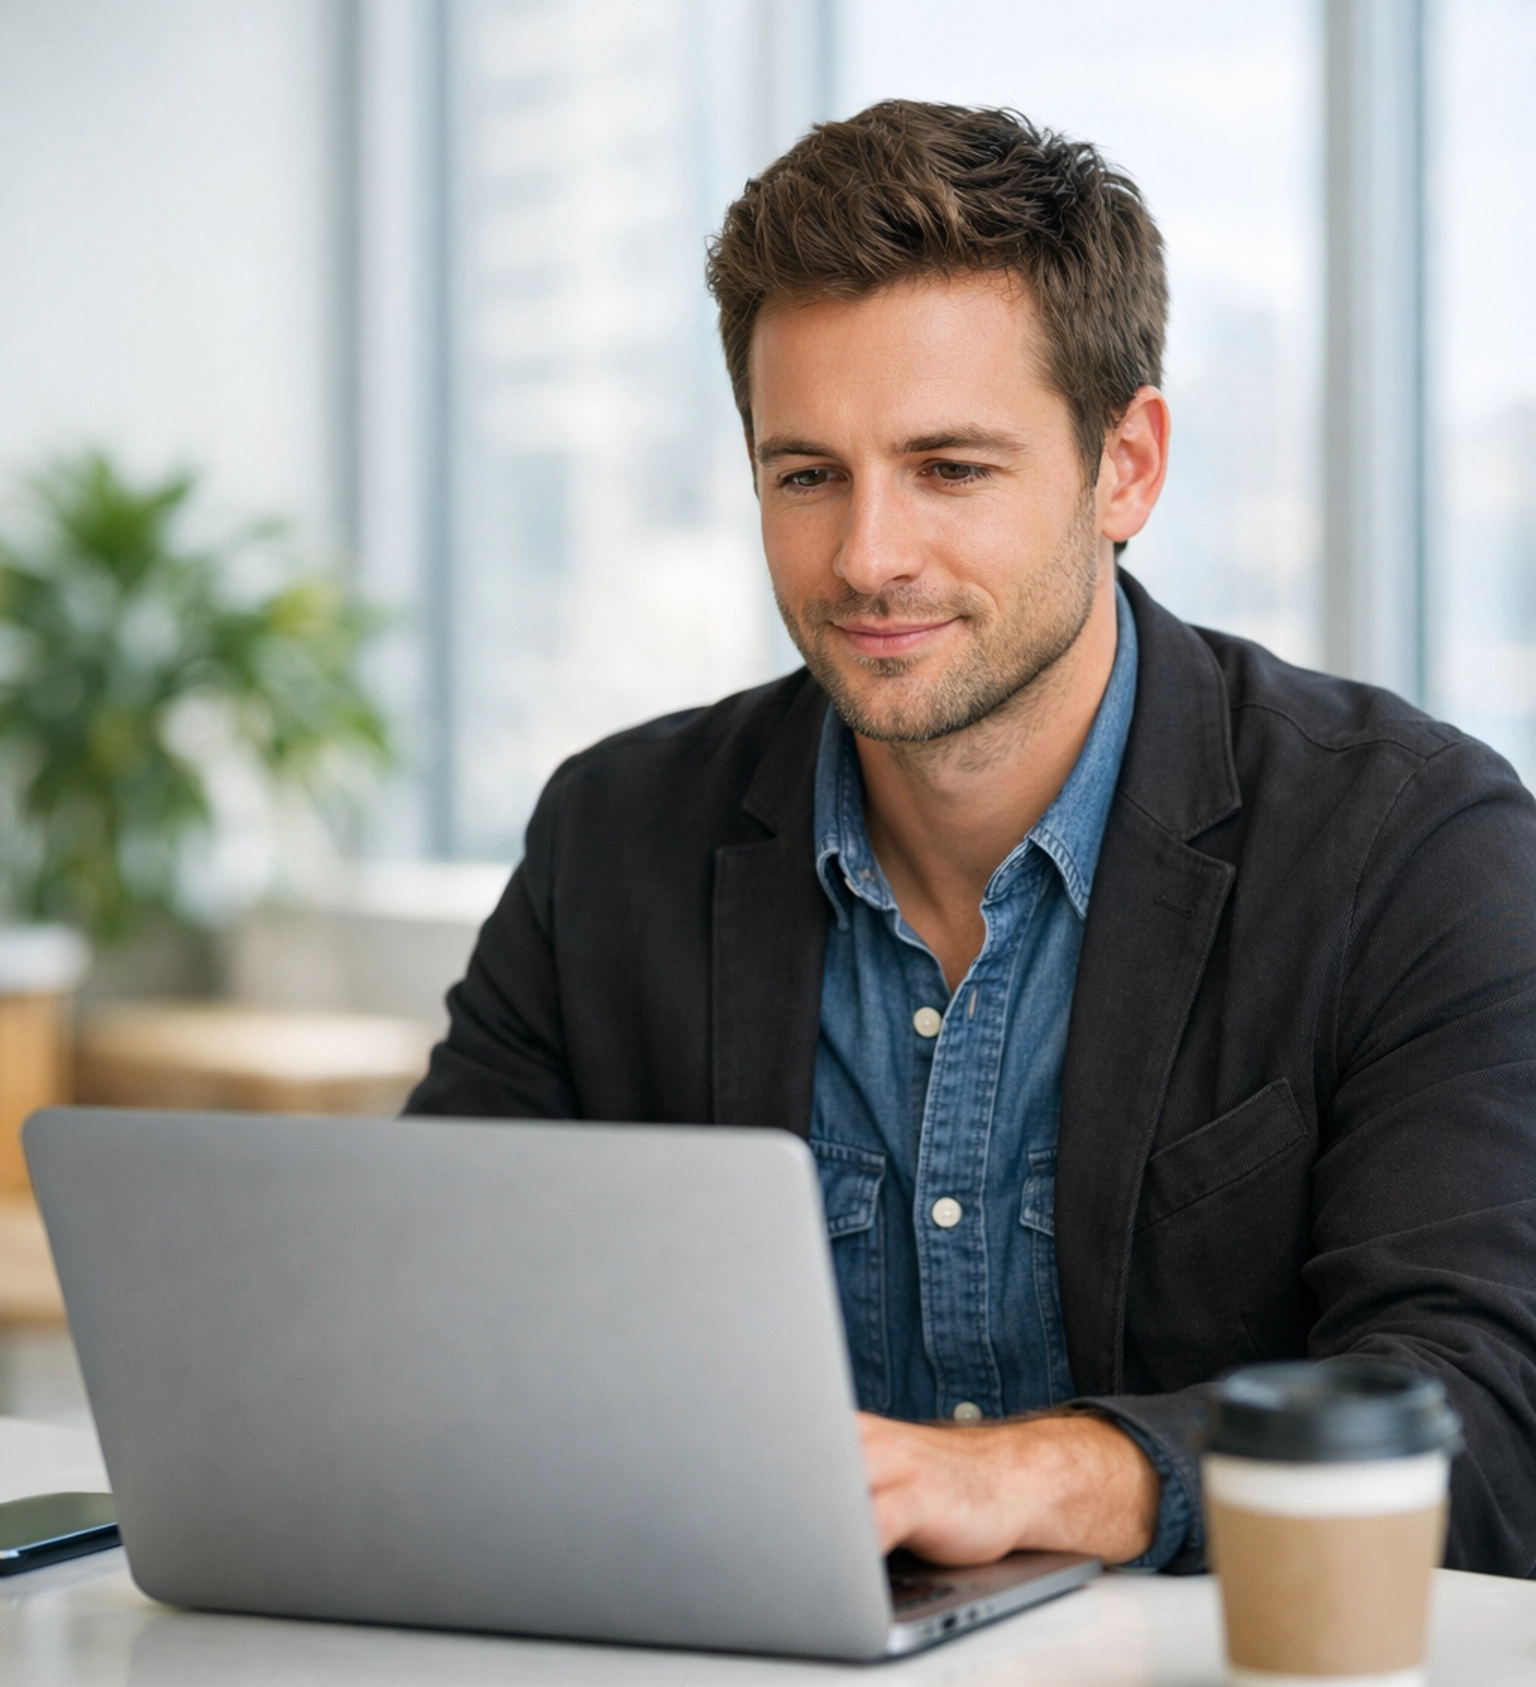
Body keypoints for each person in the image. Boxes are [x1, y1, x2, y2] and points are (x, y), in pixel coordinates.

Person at [407, 100, 1536, 1577]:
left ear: (1125, 464)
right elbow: (430, 1330)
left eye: (950, 468)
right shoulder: (613, 841)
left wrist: (1037, 1481)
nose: (868, 556)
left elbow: (1488, 1417)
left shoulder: (1412, 846)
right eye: (807, 474)